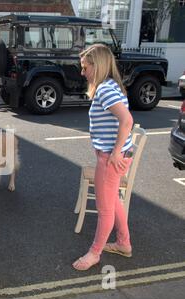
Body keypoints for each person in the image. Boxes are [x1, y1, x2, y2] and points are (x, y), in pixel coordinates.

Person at [73, 44, 134, 271]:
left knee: (105, 209)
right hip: (113, 157)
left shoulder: (105, 90)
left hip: (110, 159)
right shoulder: (110, 86)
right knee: (114, 201)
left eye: (85, 67)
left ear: (96, 66)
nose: (83, 72)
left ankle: (94, 253)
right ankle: (124, 243)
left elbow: (127, 121)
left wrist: (115, 152)